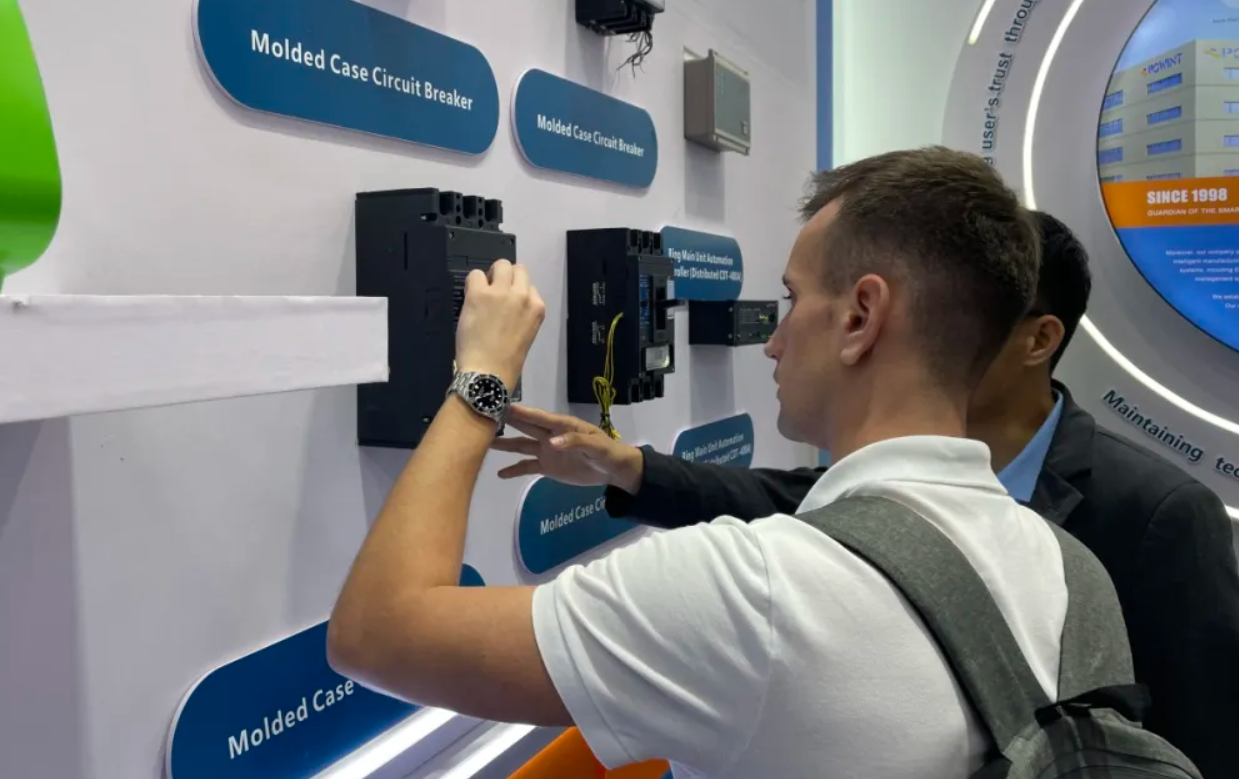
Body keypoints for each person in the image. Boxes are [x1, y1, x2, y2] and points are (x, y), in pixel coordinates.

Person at [328, 148, 1073, 778]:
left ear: (861, 317)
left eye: (792, 299)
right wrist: (628, 467)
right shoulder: (1063, 565)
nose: (773, 342)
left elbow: (377, 635)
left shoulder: (758, 594)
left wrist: (482, 379)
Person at [498, 210, 1239, 779]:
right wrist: (631, 468)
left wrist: (482, 380)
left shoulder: (1160, 517)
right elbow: (782, 496)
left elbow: (1203, 740)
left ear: (1038, 339)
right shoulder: (884, 497)